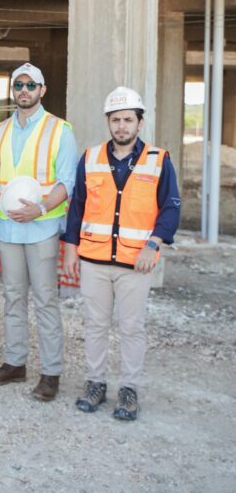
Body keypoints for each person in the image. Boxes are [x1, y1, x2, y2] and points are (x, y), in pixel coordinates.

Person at [63, 87, 180, 421]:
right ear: (108, 122)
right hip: (94, 260)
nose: (122, 126)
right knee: (95, 324)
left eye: (128, 119)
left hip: (136, 263)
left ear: (139, 123)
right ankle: (95, 383)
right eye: (116, 120)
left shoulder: (158, 160)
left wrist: (153, 244)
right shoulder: (91, 157)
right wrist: (71, 250)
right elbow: (78, 208)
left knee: (131, 327)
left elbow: (170, 207)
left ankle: (129, 390)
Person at [0, 62, 78, 402]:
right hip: (7, 228)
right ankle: (15, 362)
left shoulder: (60, 130)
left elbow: (67, 181)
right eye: (18, 85)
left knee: (45, 300)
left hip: (42, 227)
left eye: (30, 85)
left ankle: (50, 373)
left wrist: (40, 208)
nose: (24, 90)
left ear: (42, 90)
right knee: (12, 296)